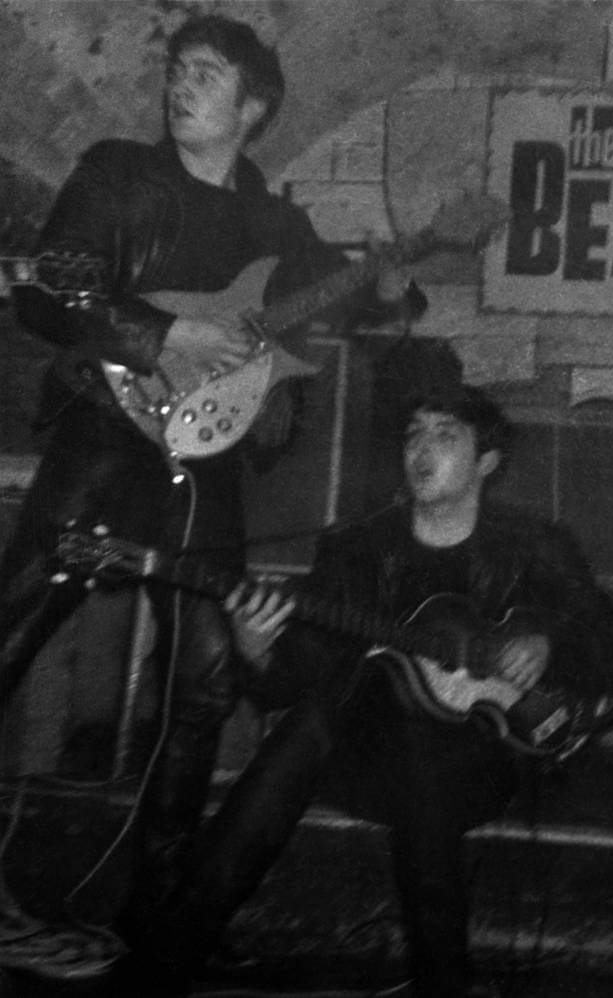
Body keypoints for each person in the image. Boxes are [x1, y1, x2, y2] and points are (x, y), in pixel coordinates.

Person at [1, 12, 418, 938]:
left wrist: (394, 285)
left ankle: (160, 914)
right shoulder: (119, 173)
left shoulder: (278, 223)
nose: (180, 84)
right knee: (13, 635)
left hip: (206, 464)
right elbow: (47, 288)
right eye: (177, 69)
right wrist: (164, 333)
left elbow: (334, 315)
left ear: (254, 106)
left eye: (205, 73)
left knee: (203, 682)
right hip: (108, 438)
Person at [113, 382, 613, 997]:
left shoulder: (534, 544)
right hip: (366, 749)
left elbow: (610, 644)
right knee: (306, 730)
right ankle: (170, 956)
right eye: (414, 432)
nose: (422, 448)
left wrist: (547, 641)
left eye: (445, 435)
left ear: (486, 463)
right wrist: (257, 648)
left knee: (424, 766)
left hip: (485, 752)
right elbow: (299, 676)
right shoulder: (358, 547)